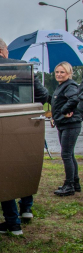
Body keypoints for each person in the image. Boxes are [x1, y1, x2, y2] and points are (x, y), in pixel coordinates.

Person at [0, 37, 50, 235]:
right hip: (23, 121)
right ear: (2, 51)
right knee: (25, 162)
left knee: (1, 168)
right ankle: (26, 208)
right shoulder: (22, 67)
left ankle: (12, 222)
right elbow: (43, 95)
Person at [51, 61, 81, 196]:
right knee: (69, 154)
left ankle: (69, 186)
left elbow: (74, 100)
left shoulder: (70, 86)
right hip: (63, 124)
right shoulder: (61, 86)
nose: (59, 74)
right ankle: (75, 183)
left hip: (70, 124)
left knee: (66, 155)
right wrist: (55, 117)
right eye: (57, 72)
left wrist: (64, 110)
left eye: (62, 72)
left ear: (69, 73)